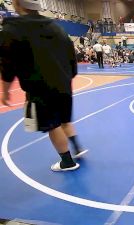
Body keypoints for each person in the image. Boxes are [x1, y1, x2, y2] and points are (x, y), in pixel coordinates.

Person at [0, 0, 87, 172]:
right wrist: (67, 77)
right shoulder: (57, 28)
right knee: (64, 120)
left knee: (53, 126)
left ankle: (67, 162)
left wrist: (5, 91)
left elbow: (7, 64)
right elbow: (71, 57)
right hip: (63, 84)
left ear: (18, 4)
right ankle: (77, 147)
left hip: (40, 86)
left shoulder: (13, 30)